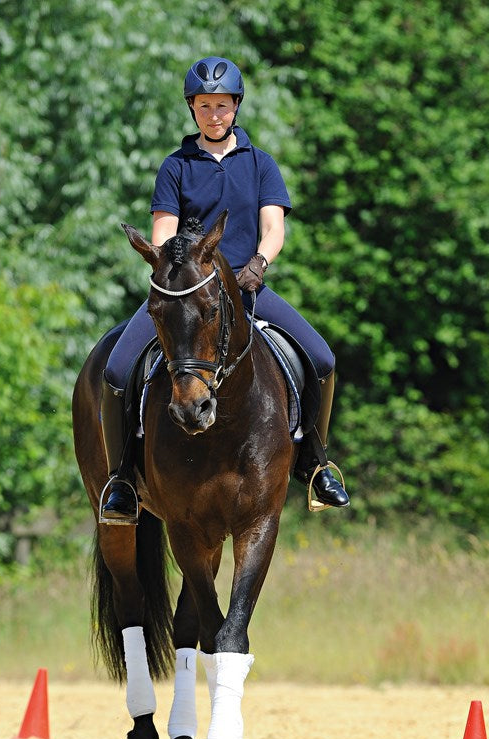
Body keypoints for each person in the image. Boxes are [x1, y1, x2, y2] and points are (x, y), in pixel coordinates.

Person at [101, 56, 349, 523]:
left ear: (236, 106)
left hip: (245, 288)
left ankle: (316, 464)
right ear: (192, 109)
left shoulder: (260, 164)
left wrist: (259, 261)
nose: (214, 115)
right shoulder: (176, 166)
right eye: (204, 106)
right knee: (115, 371)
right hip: (186, 295)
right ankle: (120, 481)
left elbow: (273, 227)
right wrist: (176, 272)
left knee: (322, 360)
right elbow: (163, 232)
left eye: (222, 106)